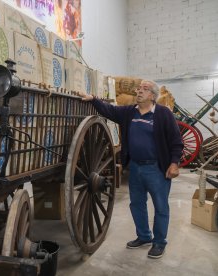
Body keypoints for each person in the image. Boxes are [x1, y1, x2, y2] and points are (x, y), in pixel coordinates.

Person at [79, 80, 184, 259]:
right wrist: (93, 100)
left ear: (152, 95)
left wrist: (174, 163)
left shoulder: (163, 114)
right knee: (136, 204)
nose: (139, 91)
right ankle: (144, 237)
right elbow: (109, 110)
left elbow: (176, 141)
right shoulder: (130, 111)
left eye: (144, 89)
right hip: (135, 167)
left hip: (156, 168)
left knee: (160, 206)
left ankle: (159, 243)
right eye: (139, 88)